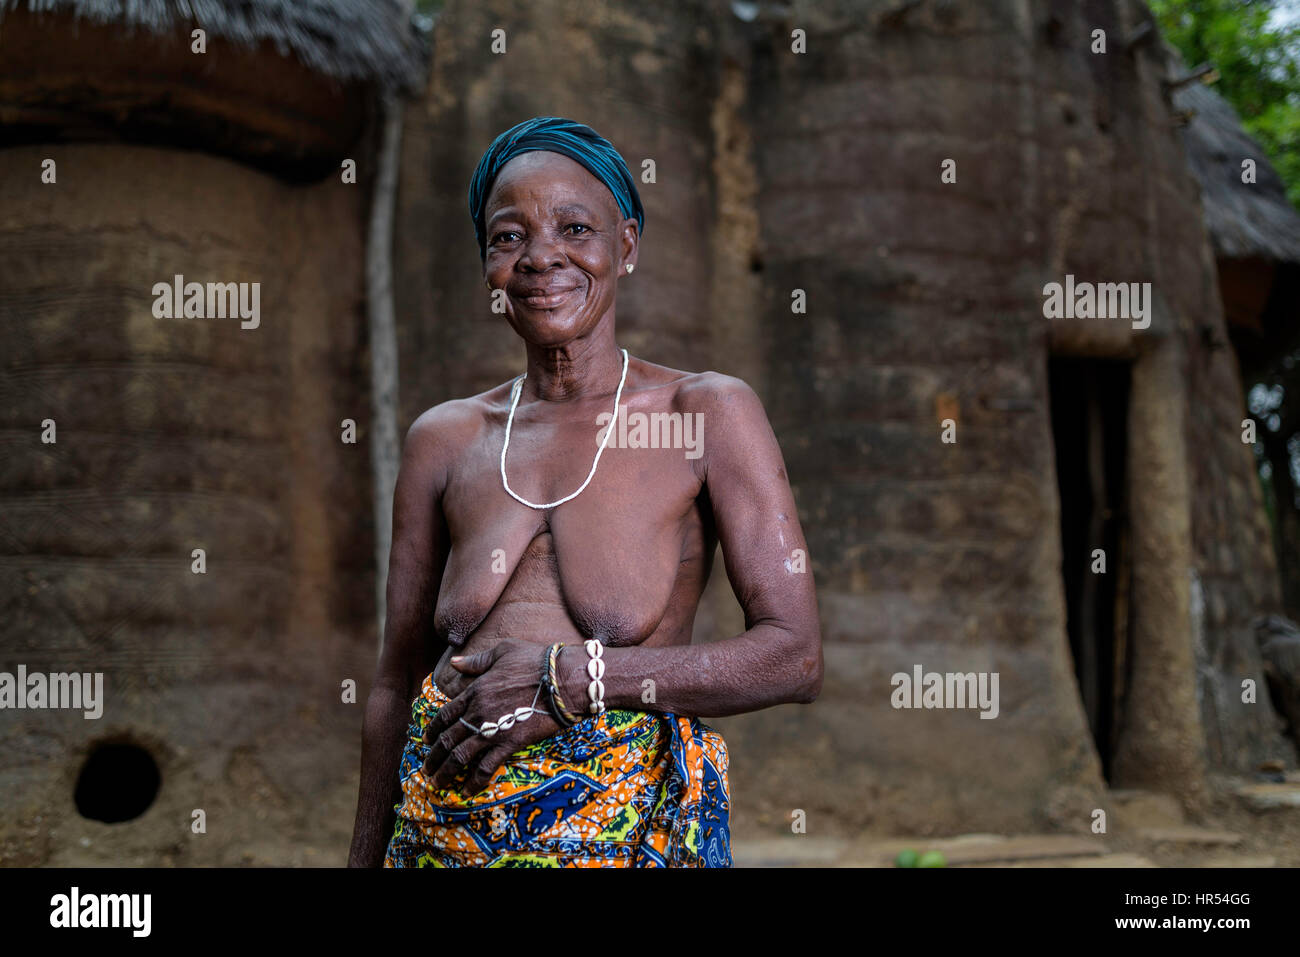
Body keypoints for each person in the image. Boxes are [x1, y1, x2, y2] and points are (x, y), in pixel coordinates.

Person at [347, 116, 822, 868]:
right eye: (508, 237)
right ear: (486, 267)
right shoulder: (446, 437)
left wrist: (575, 675)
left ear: (625, 245)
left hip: (624, 833)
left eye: (574, 227)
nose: (541, 257)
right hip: (438, 837)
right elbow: (393, 683)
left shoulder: (703, 412)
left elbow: (793, 657)